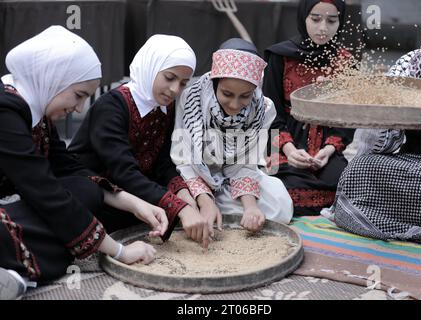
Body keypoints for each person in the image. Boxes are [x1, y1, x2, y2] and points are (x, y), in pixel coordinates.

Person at [0, 26, 166, 300]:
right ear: (53, 78)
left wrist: (136, 204)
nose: (78, 109)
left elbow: (68, 168)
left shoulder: (36, 110)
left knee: (84, 193)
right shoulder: (6, 111)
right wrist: (120, 251)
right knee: (59, 215)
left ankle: (16, 271)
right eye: (78, 95)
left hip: (17, 205)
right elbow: (44, 190)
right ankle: (16, 267)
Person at [68, 35, 211, 247]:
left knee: (173, 208)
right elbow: (123, 172)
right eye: (169, 77)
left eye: (183, 83)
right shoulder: (113, 106)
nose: (175, 90)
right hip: (99, 190)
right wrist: (180, 208)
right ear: (150, 67)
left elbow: (163, 163)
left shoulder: (165, 107)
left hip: (136, 188)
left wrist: (185, 196)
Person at [328, 0, 421, 247]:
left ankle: (416, 223)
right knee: (362, 167)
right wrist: (380, 97)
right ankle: (409, 224)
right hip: (408, 162)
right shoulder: (409, 64)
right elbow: (382, 126)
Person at [171, 38, 293, 234]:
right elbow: (183, 158)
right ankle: (212, 209)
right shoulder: (191, 98)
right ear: (215, 83)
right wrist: (206, 201)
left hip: (232, 179)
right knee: (180, 203)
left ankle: (225, 211)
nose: (234, 105)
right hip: (193, 176)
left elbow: (247, 163)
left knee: (281, 204)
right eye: (227, 94)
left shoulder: (264, 108)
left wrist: (251, 207)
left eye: (245, 96)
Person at [263, 0, 355, 216]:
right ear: (303, 17)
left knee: (345, 182)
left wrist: (328, 150)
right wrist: (290, 150)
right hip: (285, 142)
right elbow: (269, 112)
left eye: (331, 21)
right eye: (315, 19)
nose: (323, 28)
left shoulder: (346, 64)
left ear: (340, 23)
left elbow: (347, 119)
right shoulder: (281, 56)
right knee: (286, 186)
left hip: (325, 146)